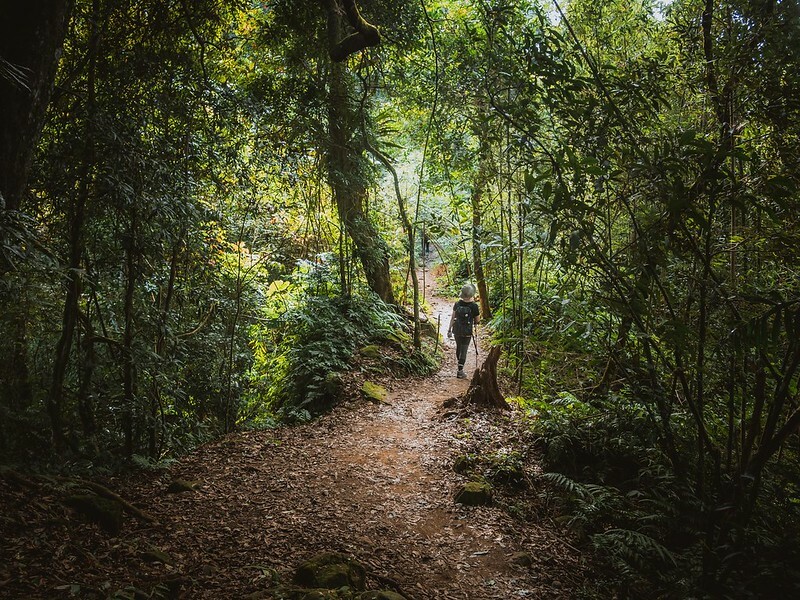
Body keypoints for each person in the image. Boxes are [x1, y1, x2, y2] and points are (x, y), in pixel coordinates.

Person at [447, 283, 480, 378]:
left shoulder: (457, 304)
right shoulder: (474, 306)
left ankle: (460, 365)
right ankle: (460, 370)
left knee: (459, 347)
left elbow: (453, 317)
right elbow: (477, 320)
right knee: (464, 350)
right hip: (467, 332)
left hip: (457, 330)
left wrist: (449, 329)